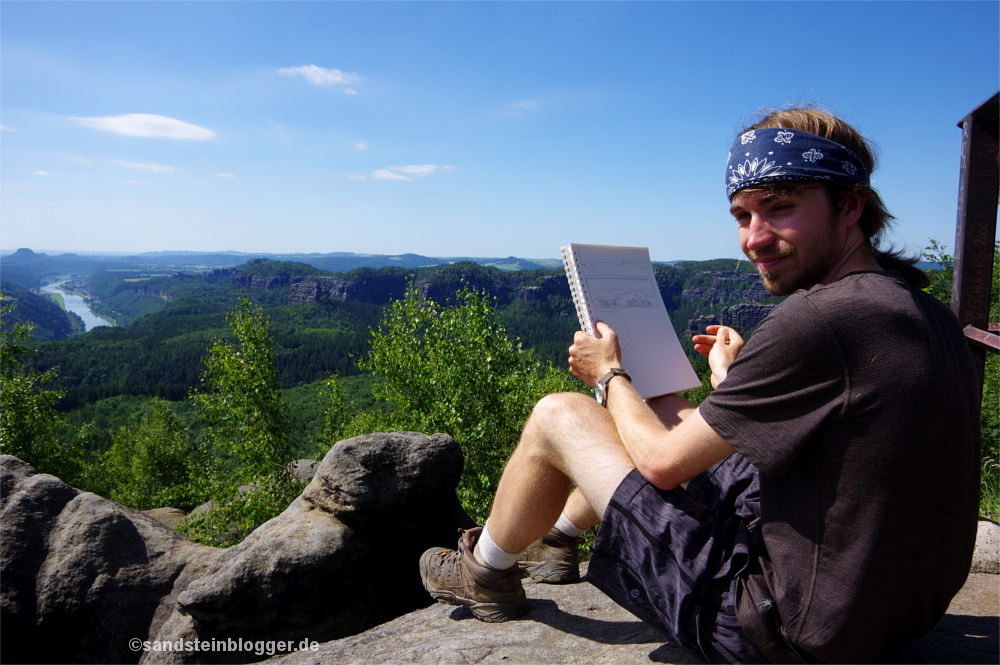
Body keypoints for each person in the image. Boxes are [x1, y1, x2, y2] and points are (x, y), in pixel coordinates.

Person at [419, 107, 982, 664]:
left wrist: (608, 373)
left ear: (850, 205)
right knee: (670, 408)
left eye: (780, 209)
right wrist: (733, 380)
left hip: (783, 632)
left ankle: (485, 573)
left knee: (559, 414)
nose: (753, 239)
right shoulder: (920, 309)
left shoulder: (820, 319)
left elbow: (663, 466)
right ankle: (558, 537)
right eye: (742, 215)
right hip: (882, 613)